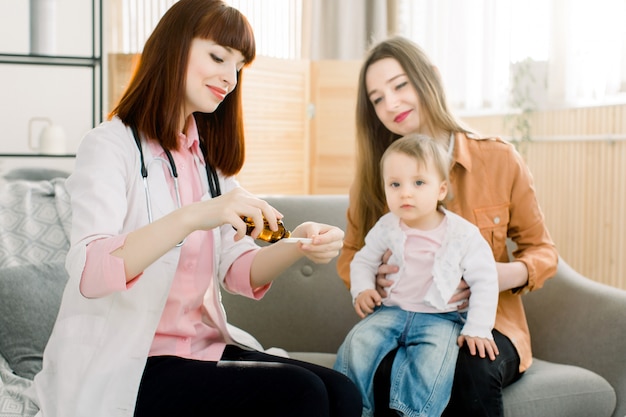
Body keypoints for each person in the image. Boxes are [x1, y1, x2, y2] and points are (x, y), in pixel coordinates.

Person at [25, 1, 362, 417]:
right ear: (174, 47)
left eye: (238, 66)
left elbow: (240, 271)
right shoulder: (109, 146)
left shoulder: (207, 161)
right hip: (129, 361)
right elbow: (90, 271)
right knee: (302, 393)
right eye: (218, 57)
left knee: (342, 392)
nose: (229, 77)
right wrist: (195, 215)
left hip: (199, 349)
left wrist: (299, 243)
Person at [336, 36, 558, 417]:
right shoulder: (375, 178)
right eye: (377, 98)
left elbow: (542, 250)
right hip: (406, 317)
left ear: (431, 79)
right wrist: (371, 282)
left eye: (400, 85)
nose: (391, 104)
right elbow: (352, 253)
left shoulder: (499, 158)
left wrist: (499, 274)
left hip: (488, 321)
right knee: (386, 369)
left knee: (470, 365)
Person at [334, 134, 499, 417]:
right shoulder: (387, 226)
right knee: (356, 345)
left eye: (419, 183)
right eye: (395, 184)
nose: (405, 193)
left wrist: (478, 328)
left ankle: (412, 413)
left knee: (431, 364)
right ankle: (351, 407)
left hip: (440, 318)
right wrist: (362, 290)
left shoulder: (462, 234)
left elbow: (485, 280)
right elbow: (362, 261)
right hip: (390, 312)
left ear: (441, 189)